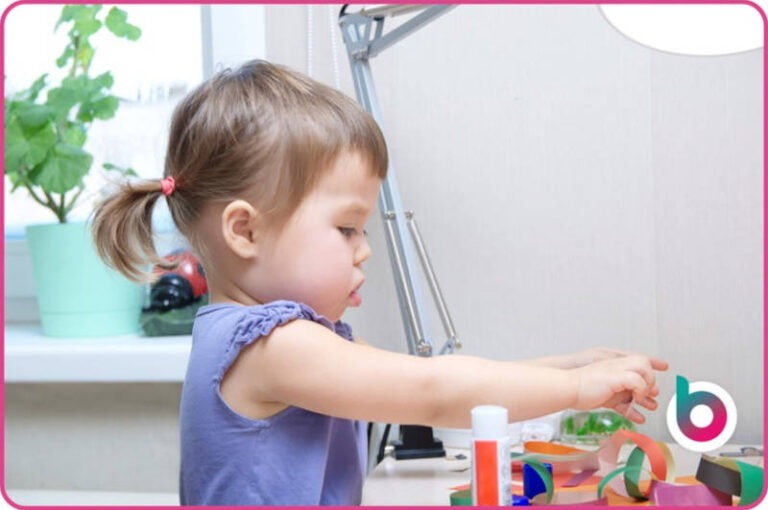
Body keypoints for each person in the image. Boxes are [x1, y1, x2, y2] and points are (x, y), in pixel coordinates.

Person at [91, 59, 668, 506]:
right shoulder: (272, 346)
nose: (364, 249)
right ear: (245, 230)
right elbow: (432, 393)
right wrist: (575, 391)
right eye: (345, 228)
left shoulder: (295, 338)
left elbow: (418, 378)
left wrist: (570, 366)